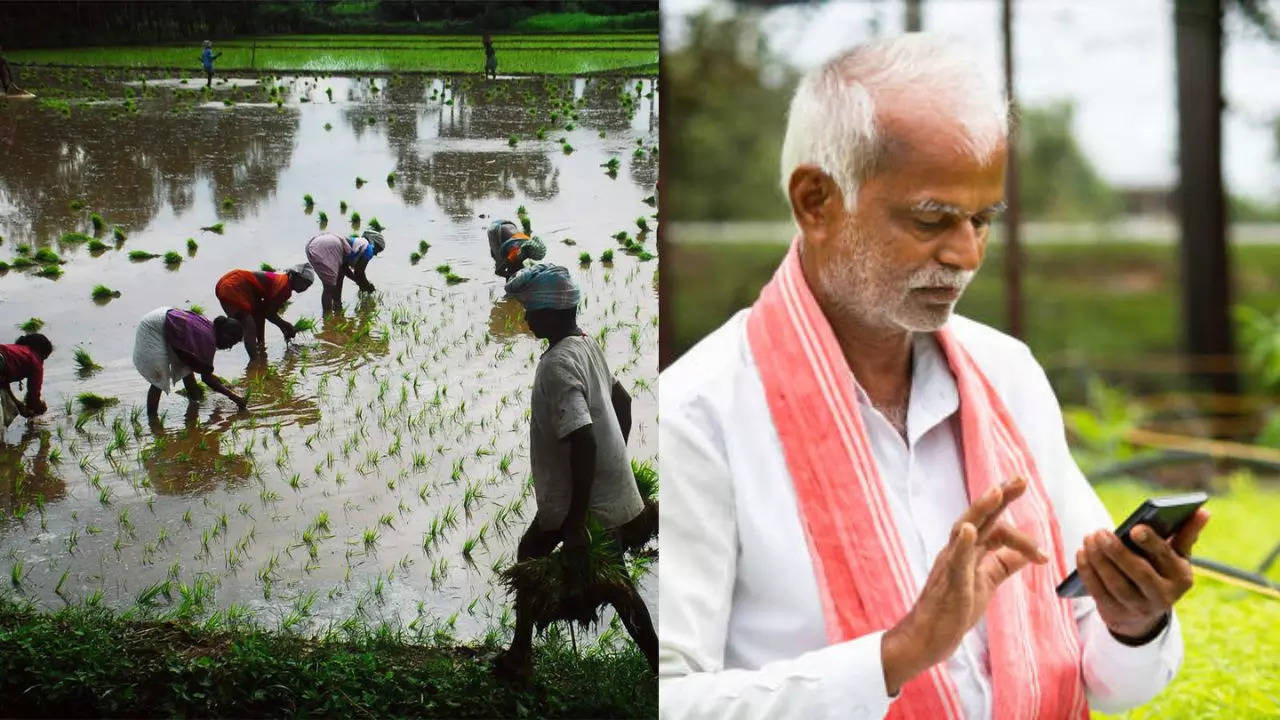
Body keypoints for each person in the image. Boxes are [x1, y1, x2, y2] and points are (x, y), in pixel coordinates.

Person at [658, 34, 1208, 719]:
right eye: (931, 218)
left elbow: (1112, 679)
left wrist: (1134, 622)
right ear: (816, 202)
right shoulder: (695, 413)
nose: (965, 253)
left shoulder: (1006, 376)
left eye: (982, 220)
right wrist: (896, 657)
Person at [495, 263, 657, 679]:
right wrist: (613, 462)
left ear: (550, 312)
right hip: (602, 492)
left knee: (530, 555)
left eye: (531, 311)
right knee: (620, 587)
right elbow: (623, 403)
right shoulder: (584, 343)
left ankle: (520, 655)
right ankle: (662, 666)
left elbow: (582, 438)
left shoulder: (556, 364)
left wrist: (575, 521)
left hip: (576, 502)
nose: (527, 319)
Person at [132, 307, 246, 419]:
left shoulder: (210, 328)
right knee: (160, 377)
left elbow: (199, 368)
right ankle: (152, 420)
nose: (230, 346)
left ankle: (194, 402)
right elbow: (207, 379)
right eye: (232, 342)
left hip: (165, 318)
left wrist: (210, 375)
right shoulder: (208, 341)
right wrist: (234, 397)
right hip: (153, 327)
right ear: (225, 334)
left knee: (186, 368)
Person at [214, 264, 314, 359]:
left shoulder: (281, 281)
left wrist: (262, 344)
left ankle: (259, 348)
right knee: (248, 326)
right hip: (234, 286)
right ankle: (254, 362)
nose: (305, 287)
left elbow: (261, 314)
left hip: (229, 282)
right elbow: (269, 314)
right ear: (294, 276)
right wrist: (286, 325)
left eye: (308, 286)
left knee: (251, 320)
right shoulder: (285, 288)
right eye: (304, 282)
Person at [304, 230, 384, 314]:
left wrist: (360, 282)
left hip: (315, 244)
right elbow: (359, 273)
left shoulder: (357, 244)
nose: (375, 254)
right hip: (325, 247)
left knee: (338, 277)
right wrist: (367, 286)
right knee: (329, 287)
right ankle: (327, 318)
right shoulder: (369, 249)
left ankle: (337, 305)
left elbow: (344, 270)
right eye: (378, 250)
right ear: (374, 244)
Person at [1, 334, 52, 427]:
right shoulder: (35, 360)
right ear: (42, 353)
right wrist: (38, 407)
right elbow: (34, 394)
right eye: (44, 358)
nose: (42, 362)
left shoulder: (14, 350)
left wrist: (18, 404)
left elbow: (3, 383)